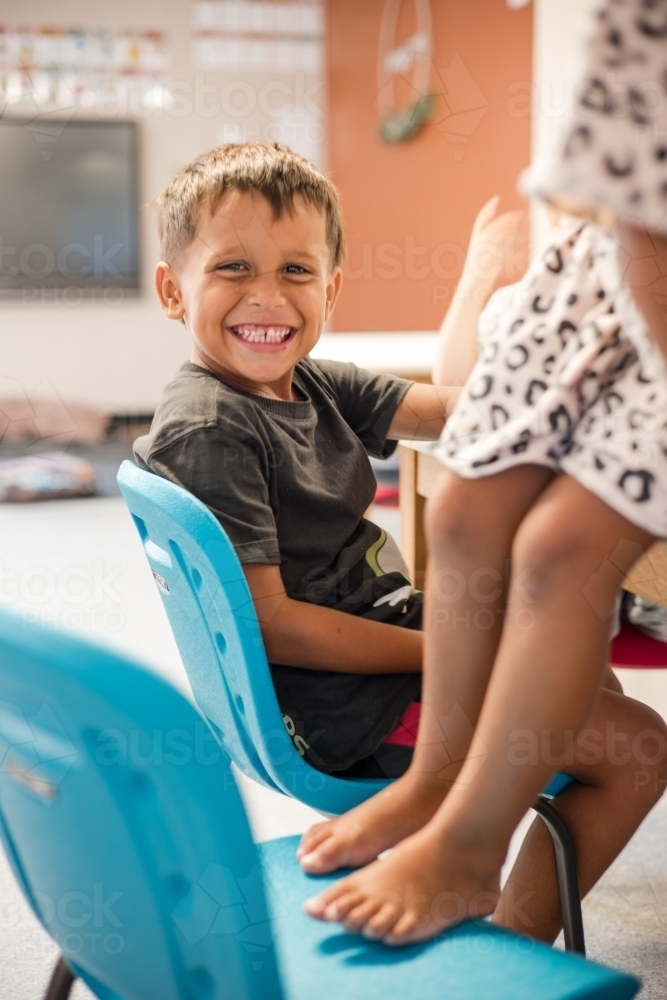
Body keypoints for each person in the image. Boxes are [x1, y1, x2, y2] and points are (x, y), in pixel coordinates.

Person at [299, 203, 667, 943]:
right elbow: (468, 412)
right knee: (463, 511)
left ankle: (471, 842)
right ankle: (440, 788)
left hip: (636, 270)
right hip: (624, 242)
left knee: (558, 550)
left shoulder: (318, 387)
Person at [134, 141, 469, 779]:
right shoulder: (209, 429)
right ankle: (454, 873)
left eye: (295, 271)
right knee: (627, 742)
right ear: (173, 290)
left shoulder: (309, 379)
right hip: (337, 706)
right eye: (233, 267)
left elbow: (448, 409)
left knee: (582, 679)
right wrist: (443, 654)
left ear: (331, 288)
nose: (267, 296)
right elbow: (274, 624)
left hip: (376, 636)